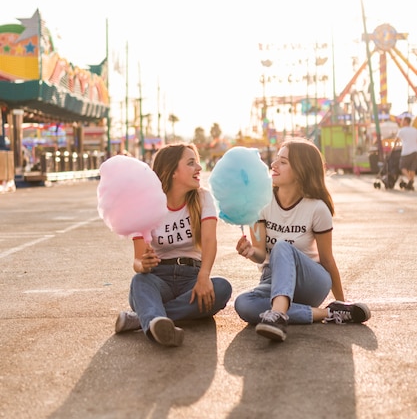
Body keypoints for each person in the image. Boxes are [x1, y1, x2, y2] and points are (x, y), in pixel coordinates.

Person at [234, 138, 371, 343]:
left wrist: (341, 300)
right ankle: (328, 314)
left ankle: (278, 315)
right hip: (273, 279)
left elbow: (327, 259)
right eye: (276, 160)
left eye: (283, 161)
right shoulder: (261, 203)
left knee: (282, 246)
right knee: (243, 304)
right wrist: (251, 252)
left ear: (301, 170)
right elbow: (261, 254)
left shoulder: (317, 208)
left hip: (310, 280)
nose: (273, 165)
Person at [115, 142, 232, 347]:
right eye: (191, 163)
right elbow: (137, 261)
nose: (199, 168)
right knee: (139, 282)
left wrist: (204, 276)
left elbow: (209, 240)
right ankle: (153, 318)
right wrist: (144, 264)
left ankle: (145, 318)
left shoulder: (203, 197)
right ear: (172, 172)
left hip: (193, 279)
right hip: (158, 278)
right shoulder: (145, 204)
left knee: (222, 288)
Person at [394, 115, 417, 190]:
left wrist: (393, 148)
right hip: (415, 151)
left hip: (406, 152)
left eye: (403, 120)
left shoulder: (402, 130)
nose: (401, 122)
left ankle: (410, 180)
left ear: (406, 122)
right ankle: (410, 184)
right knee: (412, 168)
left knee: (402, 167)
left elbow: (396, 140)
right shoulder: (415, 130)